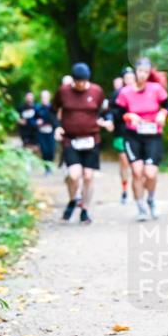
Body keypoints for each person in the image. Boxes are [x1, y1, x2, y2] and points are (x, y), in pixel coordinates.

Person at [53, 63, 112, 225]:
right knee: (73, 175)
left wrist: (107, 121)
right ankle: (73, 200)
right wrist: (57, 126)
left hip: (91, 140)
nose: (81, 84)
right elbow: (53, 111)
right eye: (78, 81)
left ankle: (85, 210)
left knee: (88, 176)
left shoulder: (96, 91)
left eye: (84, 81)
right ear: (73, 80)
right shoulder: (63, 91)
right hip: (70, 139)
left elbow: (106, 111)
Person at [116, 58, 168, 221]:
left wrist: (162, 114)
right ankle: (141, 207)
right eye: (140, 71)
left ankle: (151, 199)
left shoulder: (156, 89)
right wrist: (128, 116)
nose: (143, 75)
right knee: (137, 172)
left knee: (150, 173)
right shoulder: (125, 92)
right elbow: (117, 114)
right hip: (133, 136)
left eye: (146, 72)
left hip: (153, 136)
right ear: (135, 72)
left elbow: (167, 106)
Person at [108, 68, 136, 204]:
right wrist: (110, 121)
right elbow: (109, 111)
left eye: (132, 77)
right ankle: (124, 190)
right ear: (123, 80)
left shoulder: (140, 92)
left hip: (137, 134)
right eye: (127, 78)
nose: (130, 80)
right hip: (121, 133)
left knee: (136, 165)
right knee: (125, 162)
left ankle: (138, 190)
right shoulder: (118, 94)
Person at [36, 89, 59, 175]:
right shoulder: (37, 108)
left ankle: (50, 165)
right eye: (43, 97)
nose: (44, 99)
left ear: (49, 98)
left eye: (46, 97)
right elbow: (32, 120)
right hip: (41, 133)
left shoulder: (53, 108)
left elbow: (56, 120)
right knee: (44, 151)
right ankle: (47, 168)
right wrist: (36, 122)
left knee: (51, 151)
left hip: (51, 132)